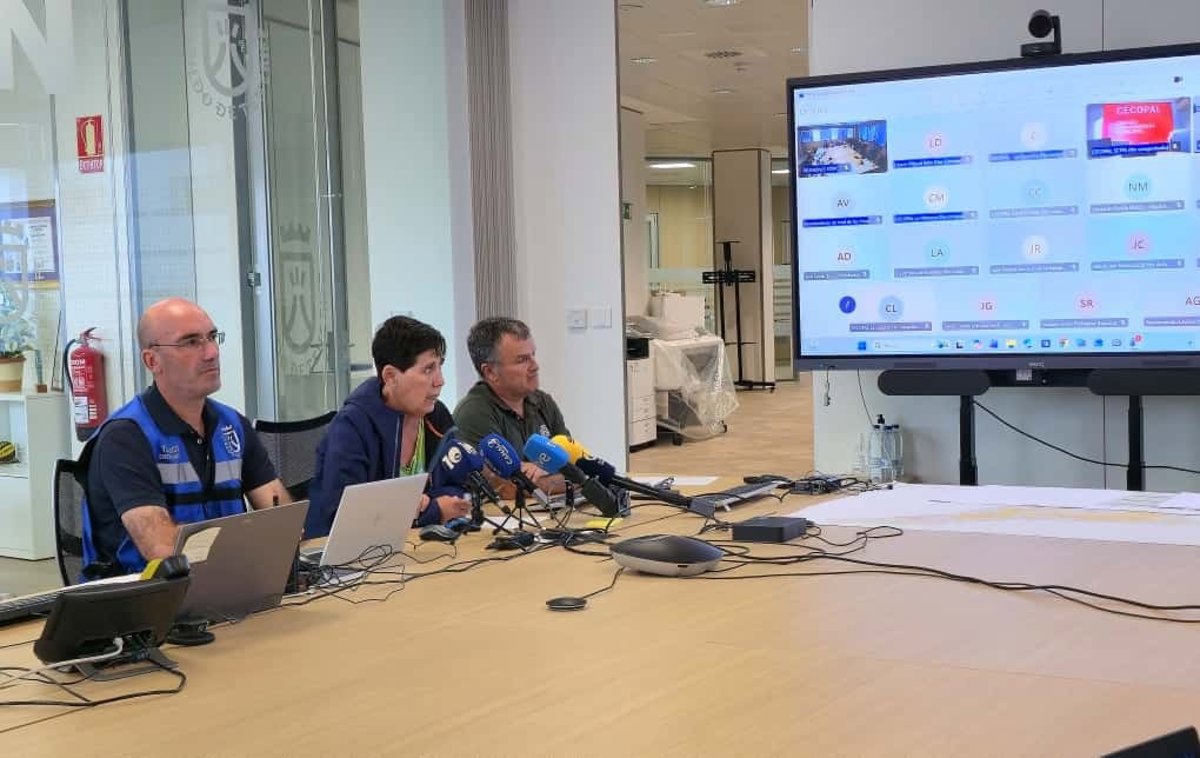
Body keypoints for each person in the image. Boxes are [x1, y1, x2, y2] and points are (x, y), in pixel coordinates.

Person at [80, 298, 289, 577]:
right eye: (191, 342)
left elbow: (284, 522)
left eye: (212, 337)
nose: (211, 352)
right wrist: (247, 551)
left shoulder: (232, 425)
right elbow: (164, 550)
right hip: (145, 595)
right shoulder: (125, 437)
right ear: (152, 361)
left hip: (225, 583)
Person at [305, 316, 471, 538]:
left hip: (418, 546)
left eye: (440, 366)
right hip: (345, 553)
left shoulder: (436, 416)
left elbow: (458, 486)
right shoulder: (352, 426)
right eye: (428, 369)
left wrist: (426, 505)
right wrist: (431, 511)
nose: (440, 381)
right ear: (390, 376)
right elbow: (347, 516)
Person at [453, 317, 568, 495]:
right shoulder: (473, 413)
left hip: (552, 508)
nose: (535, 366)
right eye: (522, 360)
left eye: (533, 355)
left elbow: (574, 467)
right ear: (490, 372)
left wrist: (544, 473)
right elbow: (506, 488)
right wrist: (555, 475)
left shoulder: (543, 402)